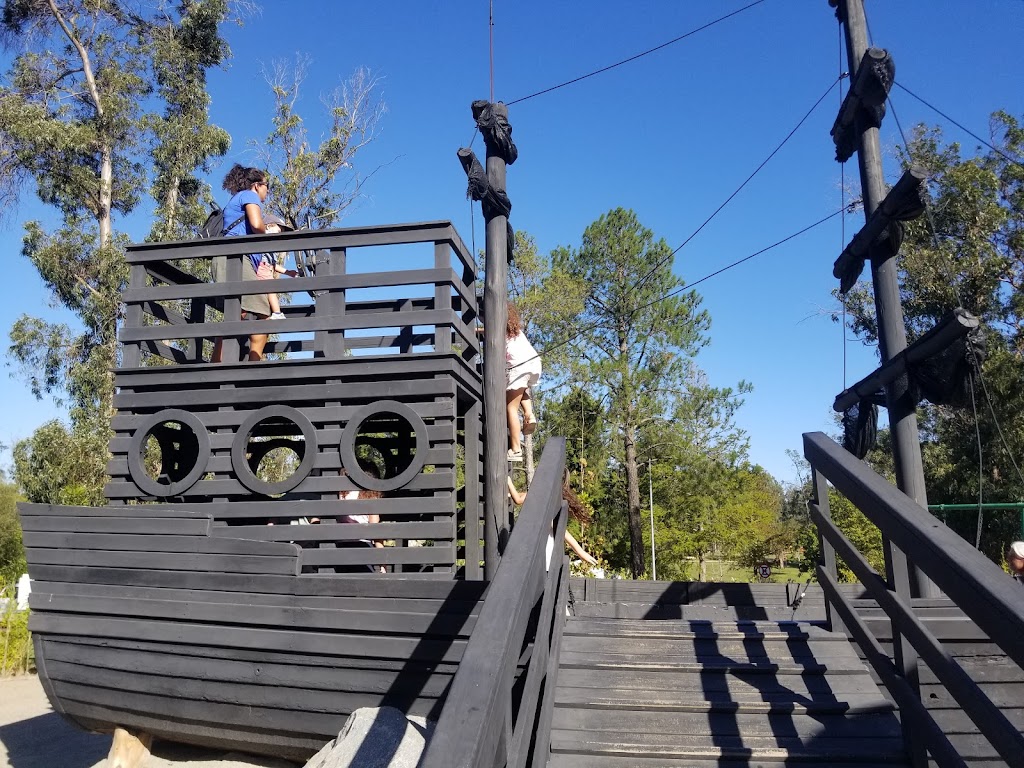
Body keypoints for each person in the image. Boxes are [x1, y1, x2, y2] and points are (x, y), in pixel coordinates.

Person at [211, 165, 296, 362]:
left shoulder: (238, 198)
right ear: (257, 186)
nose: (268, 190)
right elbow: (257, 226)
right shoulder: (250, 196)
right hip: (235, 260)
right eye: (267, 186)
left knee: (239, 313)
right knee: (257, 313)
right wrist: (271, 236)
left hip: (234, 259)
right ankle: (251, 364)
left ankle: (219, 366)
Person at [507, 475, 599, 567]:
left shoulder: (541, 498)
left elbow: (519, 500)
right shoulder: (547, 498)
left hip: (540, 556)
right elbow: (521, 496)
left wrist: (508, 481)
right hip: (543, 555)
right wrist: (511, 492)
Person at [506, 302, 541, 461]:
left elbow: (487, 332)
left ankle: (516, 449)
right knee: (521, 390)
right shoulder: (516, 331)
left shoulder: (498, 329)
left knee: (510, 407)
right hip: (534, 363)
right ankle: (529, 414)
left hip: (518, 366)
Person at [339, 461, 387, 573]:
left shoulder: (342, 494)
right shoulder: (371, 497)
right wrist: (383, 564)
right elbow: (376, 532)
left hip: (340, 546)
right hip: (363, 546)